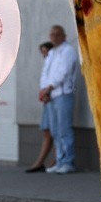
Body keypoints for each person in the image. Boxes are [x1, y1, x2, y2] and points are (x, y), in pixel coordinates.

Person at [39, 25, 79, 174]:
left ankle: (68, 162)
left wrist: (49, 87)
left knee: (64, 129)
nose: (54, 37)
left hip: (63, 95)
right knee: (55, 130)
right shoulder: (52, 53)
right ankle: (60, 160)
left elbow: (63, 73)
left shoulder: (67, 51)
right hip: (51, 96)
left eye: (57, 34)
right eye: (52, 34)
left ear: (64, 36)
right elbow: (45, 73)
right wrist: (44, 89)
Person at [25, 41, 54, 173]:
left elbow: (55, 80)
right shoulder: (47, 63)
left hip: (53, 98)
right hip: (47, 99)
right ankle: (42, 162)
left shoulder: (55, 63)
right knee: (47, 131)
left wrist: (48, 92)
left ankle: (53, 161)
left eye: (46, 52)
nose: (45, 55)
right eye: (43, 52)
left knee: (55, 132)